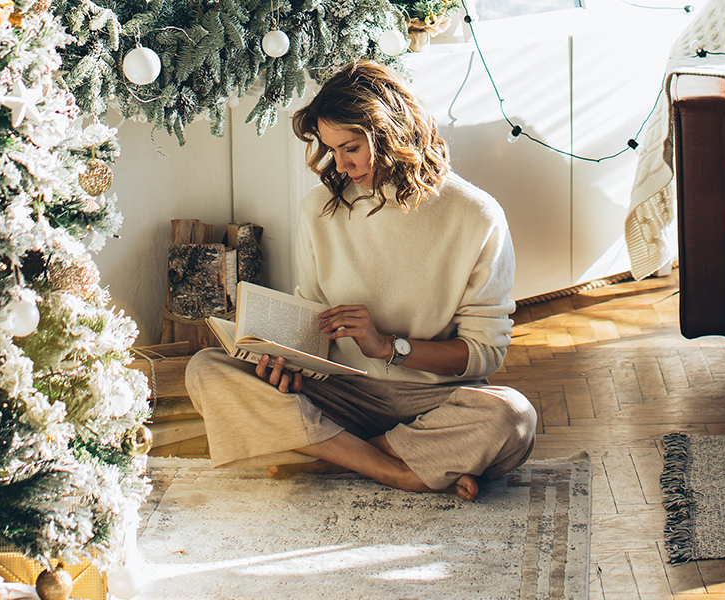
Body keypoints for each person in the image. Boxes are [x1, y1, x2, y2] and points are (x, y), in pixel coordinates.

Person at [185, 60, 536, 501]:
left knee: (512, 419)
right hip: (341, 392)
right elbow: (311, 317)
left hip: (432, 401)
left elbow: (484, 354)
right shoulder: (320, 210)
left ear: (391, 133)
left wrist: (389, 347)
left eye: (351, 147)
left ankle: (332, 457)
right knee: (206, 368)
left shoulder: (475, 215)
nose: (342, 164)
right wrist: (285, 362)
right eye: (332, 150)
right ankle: (400, 471)